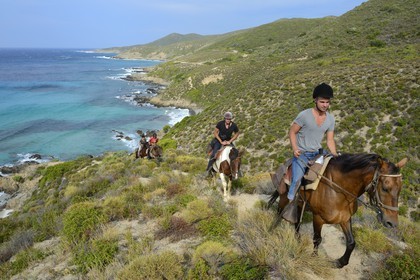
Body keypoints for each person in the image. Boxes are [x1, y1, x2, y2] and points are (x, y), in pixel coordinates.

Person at [283, 83, 338, 221]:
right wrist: (295, 148)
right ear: (315, 100)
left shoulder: (330, 119)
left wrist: (336, 155)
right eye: (322, 102)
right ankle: (290, 204)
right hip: (302, 154)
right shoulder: (304, 115)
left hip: (318, 153)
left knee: (333, 174)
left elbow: (330, 140)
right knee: (296, 179)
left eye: (327, 102)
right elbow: (292, 132)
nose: (325, 105)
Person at [206, 111, 240, 176]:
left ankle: (238, 171)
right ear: (224, 118)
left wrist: (230, 141)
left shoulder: (233, 125)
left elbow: (237, 133)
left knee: (236, 154)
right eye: (227, 119)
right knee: (214, 154)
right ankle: (208, 170)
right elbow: (215, 133)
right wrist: (221, 141)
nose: (228, 120)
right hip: (219, 140)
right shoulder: (220, 124)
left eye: (229, 119)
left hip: (228, 141)